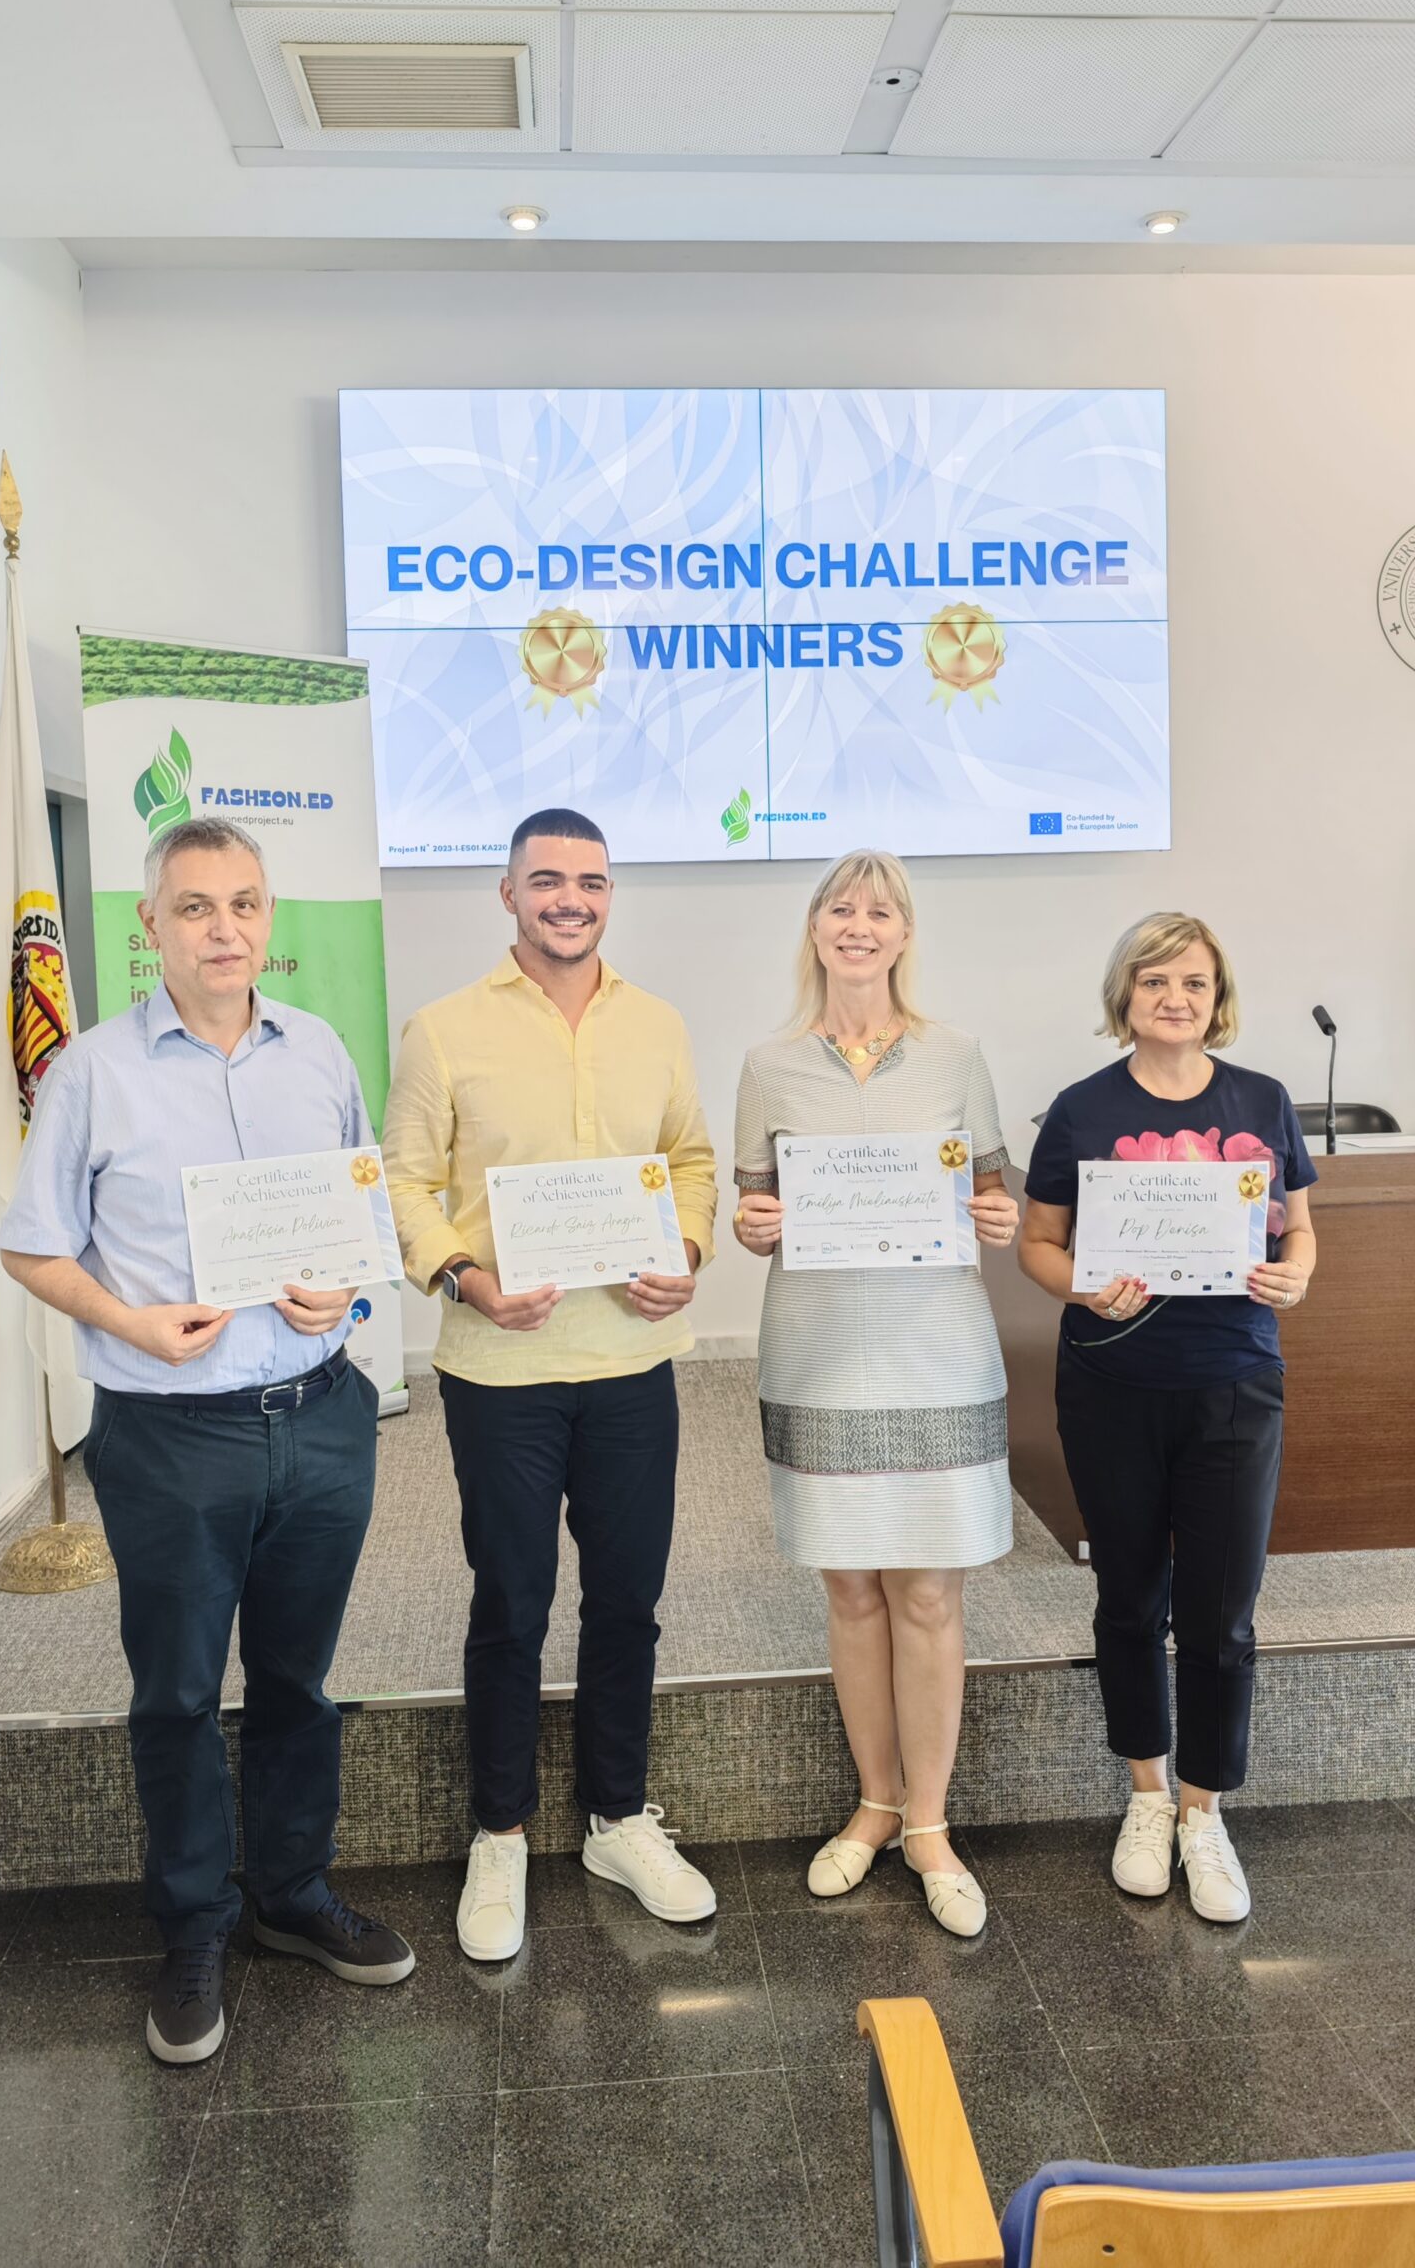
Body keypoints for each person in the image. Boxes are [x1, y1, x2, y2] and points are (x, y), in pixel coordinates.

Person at [0, 817, 413, 2066]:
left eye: (243, 904)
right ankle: (192, 1923)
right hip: (170, 1436)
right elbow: (29, 1244)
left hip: (319, 1418)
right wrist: (128, 1320)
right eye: (195, 907)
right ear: (152, 925)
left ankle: (291, 1891)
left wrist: (341, 1294)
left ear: (268, 918)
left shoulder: (319, 1051)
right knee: (177, 1692)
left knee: (299, 1679)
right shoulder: (91, 1072)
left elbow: (362, 1218)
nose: (223, 929)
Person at [382, 807, 719, 1962]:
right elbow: (404, 1181)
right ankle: (501, 1832)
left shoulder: (657, 1023)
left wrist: (685, 1247)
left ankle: (619, 1819)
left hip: (631, 1362)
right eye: (547, 879)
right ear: (509, 893)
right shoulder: (443, 1030)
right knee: (511, 1604)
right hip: (502, 1370)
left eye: (590, 880)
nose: (570, 898)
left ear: (609, 894)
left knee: (627, 1601)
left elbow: (690, 1159)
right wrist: (464, 1276)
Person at [732, 850, 1019, 1935]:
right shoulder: (768, 1064)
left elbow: (992, 1190)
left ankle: (930, 1825)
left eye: (880, 911)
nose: (860, 925)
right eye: (842, 908)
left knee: (930, 1594)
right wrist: (754, 1224)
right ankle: (875, 1803)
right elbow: (756, 1210)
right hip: (819, 1347)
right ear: (815, 929)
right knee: (852, 1589)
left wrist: (997, 1214)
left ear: (905, 933)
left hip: (934, 1345)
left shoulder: (956, 1055)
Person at [1018, 912, 1317, 1922]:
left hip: (1235, 1382)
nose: (1175, 998)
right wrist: (1083, 1287)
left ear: (1216, 995)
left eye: (1193, 982)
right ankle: (1146, 1797)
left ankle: (1204, 1811)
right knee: (1130, 1596)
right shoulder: (1081, 1108)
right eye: (1154, 981)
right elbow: (1038, 1242)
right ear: (1126, 995)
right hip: (1111, 1383)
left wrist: (1296, 1274)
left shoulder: (1263, 1099)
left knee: (1223, 1612)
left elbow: (1299, 1227)